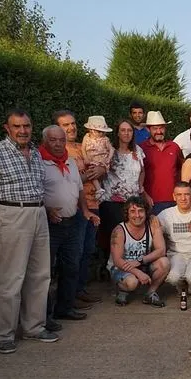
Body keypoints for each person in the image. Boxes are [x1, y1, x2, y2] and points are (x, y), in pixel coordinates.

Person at [0, 109, 56, 352]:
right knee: (10, 278)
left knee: (40, 275)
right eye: (17, 126)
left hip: (38, 213)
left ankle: (34, 327)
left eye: (26, 126)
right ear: (7, 128)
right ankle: (5, 333)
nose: (23, 131)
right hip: (11, 214)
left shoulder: (37, 155)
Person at [39, 124, 96, 327]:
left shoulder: (70, 162)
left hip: (73, 221)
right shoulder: (39, 162)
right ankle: (44, 317)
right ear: (45, 141)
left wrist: (85, 210)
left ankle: (65, 308)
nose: (58, 143)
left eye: (61, 140)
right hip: (51, 225)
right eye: (53, 140)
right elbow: (34, 191)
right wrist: (46, 208)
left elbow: (79, 189)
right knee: (45, 271)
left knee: (71, 266)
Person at [56, 109, 106, 306]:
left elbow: (99, 169)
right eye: (65, 125)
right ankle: (69, 296)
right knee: (73, 252)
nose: (71, 127)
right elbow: (66, 181)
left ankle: (80, 289)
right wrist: (87, 176)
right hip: (74, 207)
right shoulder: (59, 151)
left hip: (93, 204)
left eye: (73, 123)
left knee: (87, 250)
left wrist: (102, 169)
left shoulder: (83, 145)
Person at [108, 196, 170, 307]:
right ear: (127, 213)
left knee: (164, 262)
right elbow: (117, 261)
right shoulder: (119, 231)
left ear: (146, 212)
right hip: (122, 268)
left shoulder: (152, 225)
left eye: (141, 211)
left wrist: (140, 261)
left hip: (142, 264)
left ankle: (150, 293)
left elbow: (161, 250)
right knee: (132, 282)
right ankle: (123, 290)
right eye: (132, 211)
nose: (137, 215)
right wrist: (138, 273)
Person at [100, 119, 146, 254]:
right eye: (123, 130)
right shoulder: (110, 150)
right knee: (115, 239)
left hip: (133, 202)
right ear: (118, 133)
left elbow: (142, 171)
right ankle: (112, 268)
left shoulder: (137, 150)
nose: (126, 133)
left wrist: (140, 186)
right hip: (112, 202)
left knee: (131, 238)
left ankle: (130, 267)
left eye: (130, 130)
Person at [158, 181, 191, 298]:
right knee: (173, 278)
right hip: (176, 254)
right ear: (173, 197)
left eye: (187, 194)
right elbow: (153, 227)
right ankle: (181, 284)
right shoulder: (166, 214)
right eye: (179, 195)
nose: (183, 198)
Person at [140, 111, 183, 215]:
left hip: (174, 200)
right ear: (148, 129)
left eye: (161, 128)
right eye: (155, 128)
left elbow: (181, 169)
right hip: (151, 202)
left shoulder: (174, 147)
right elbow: (137, 175)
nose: (159, 131)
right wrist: (144, 195)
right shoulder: (141, 148)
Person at [81, 115, 114, 202]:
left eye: (103, 132)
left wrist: (108, 159)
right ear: (91, 130)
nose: (101, 134)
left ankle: (99, 190)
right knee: (92, 172)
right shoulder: (86, 137)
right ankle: (99, 190)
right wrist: (85, 158)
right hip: (91, 160)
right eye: (99, 132)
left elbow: (111, 149)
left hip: (101, 160)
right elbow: (83, 148)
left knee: (98, 174)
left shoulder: (105, 139)